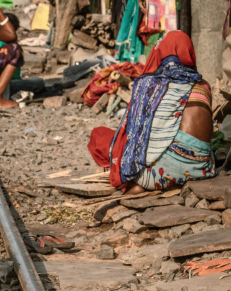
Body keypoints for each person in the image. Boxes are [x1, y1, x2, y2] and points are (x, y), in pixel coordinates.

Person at [92, 31, 215, 192]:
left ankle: (141, 183)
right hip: (202, 169)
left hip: (159, 174)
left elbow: (135, 138)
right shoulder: (203, 85)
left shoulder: (149, 84)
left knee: (99, 136)